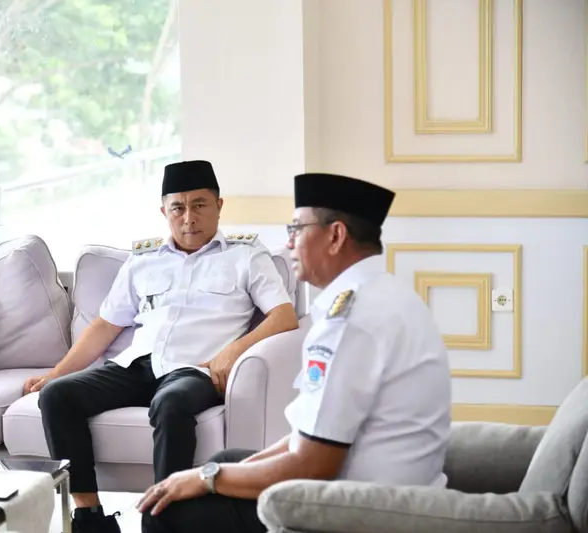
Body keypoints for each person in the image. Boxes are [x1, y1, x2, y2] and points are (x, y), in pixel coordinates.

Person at [137, 173, 452, 533]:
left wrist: (206, 479)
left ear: (335, 236)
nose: (288, 245)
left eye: (297, 229)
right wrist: (221, 472)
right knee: (225, 460)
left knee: (164, 509)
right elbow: (313, 432)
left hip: (364, 509)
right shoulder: (388, 294)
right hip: (386, 484)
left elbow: (312, 466)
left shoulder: (350, 323)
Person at [25, 160, 299, 533]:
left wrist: (231, 353)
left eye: (199, 205)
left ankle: (163, 522)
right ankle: (90, 518)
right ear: (164, 212)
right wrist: (55, 374)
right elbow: (105, 326)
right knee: (57, 395)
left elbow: (284, 317)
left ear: (219, 205)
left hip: (195, 371)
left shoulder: (247, 256)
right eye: (178, 208)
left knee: (170, 403)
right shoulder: (143, 260)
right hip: (137, 366)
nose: (188, 217)